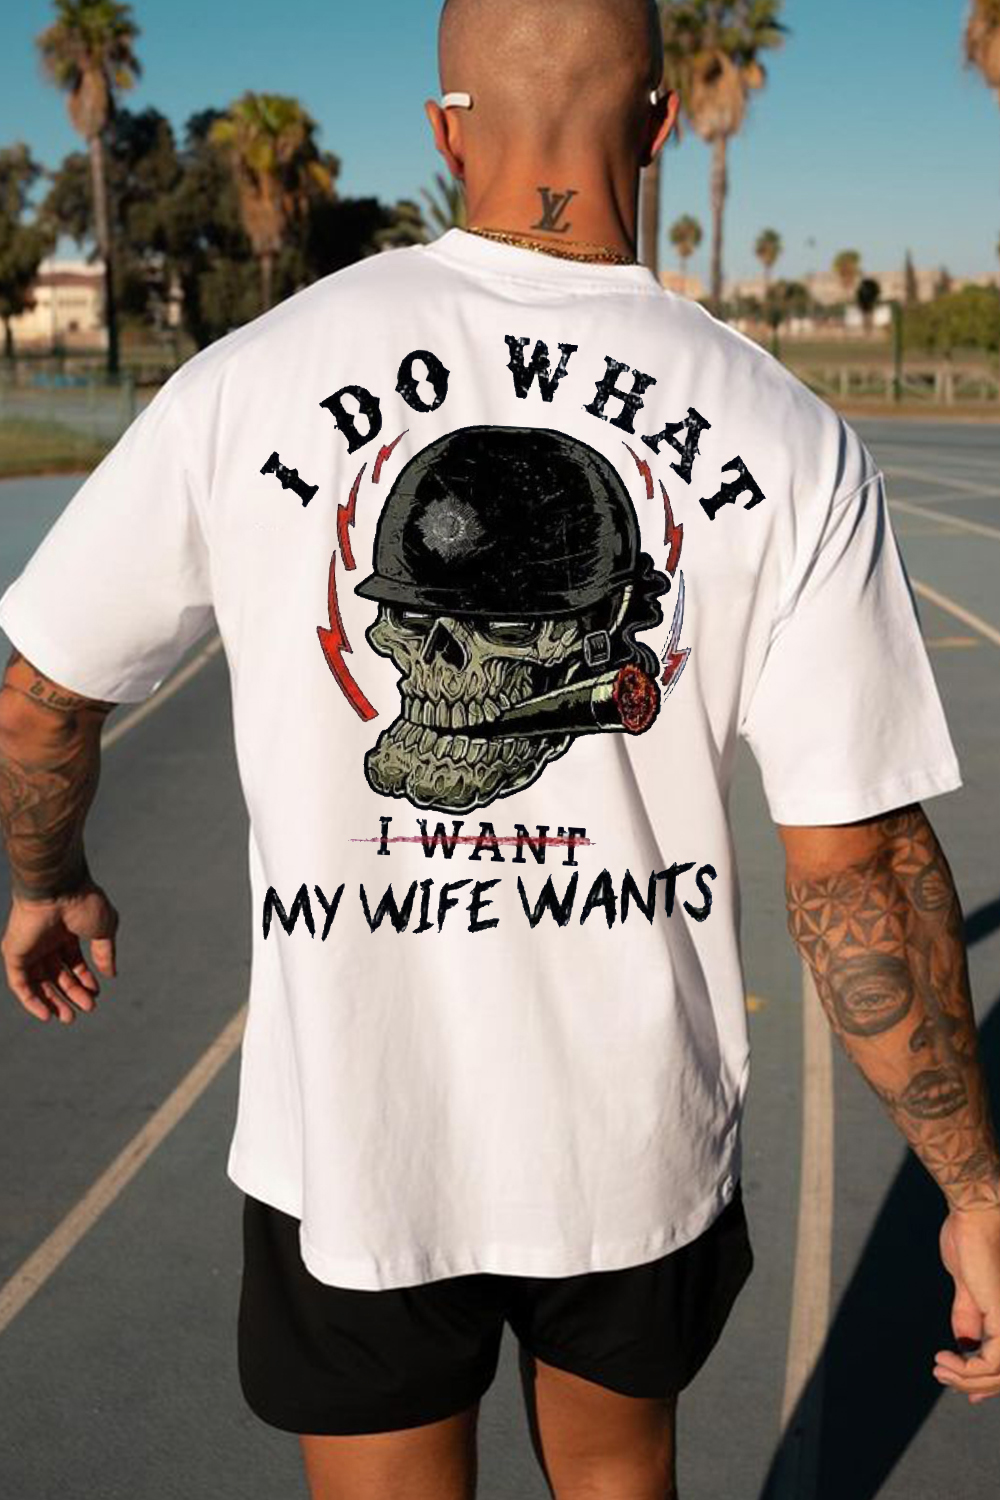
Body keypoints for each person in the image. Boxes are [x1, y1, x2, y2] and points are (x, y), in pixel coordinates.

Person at [1, 0, 998, 1495]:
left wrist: (50, 877)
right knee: (615, 1479)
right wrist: (975, 1185)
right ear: (660, 124)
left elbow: (38, 702)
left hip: (354, 1147)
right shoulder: (787, 434)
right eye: (419, 627)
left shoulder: (245, 378)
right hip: (636, 1146)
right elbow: (857, 866)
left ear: (443, 131)